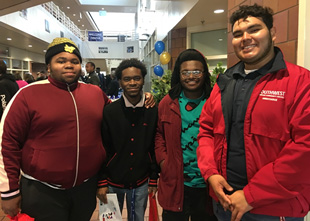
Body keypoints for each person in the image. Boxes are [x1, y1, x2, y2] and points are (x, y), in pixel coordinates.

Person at [0, 38, 155, 220]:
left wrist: (142, 96)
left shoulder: (95, 93)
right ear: (48, 66)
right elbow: (6, 142)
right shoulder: (27, 95)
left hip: (85, 188)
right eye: (61, 60)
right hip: (42, 190)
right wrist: (9, 191)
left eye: (74, 61)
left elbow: (118, 109)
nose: (69, 65)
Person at [197, 4, 310, 221]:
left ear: (273, 33)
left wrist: (251, 196)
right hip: (225, 203)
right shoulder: (224, 82)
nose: (245, 38)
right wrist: (211, 174)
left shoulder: (303, 83)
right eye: (237, 34)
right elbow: (206, 130)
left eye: (254, 29)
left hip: (274, 209)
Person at [155, 49, 215, 221]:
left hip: (207, 184)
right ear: (179, 75)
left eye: (196, 71)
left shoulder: (214, 101)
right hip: (176, 182)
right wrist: (164, 162)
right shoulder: (168, 102)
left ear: (204, 73)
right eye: (185, 72)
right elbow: (159, 135)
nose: (191, 76)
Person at [96, 58, 158, 221]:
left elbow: (153, 146)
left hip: (141, 181)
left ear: (143, 80)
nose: (132, 82)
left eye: (137, 78)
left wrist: (153, 178)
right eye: (127, 79)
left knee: (138, 218)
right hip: (111, 181)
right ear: (120, 82)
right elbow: (102, 148)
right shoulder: (109, 111)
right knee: (109, 220)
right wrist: (101, 181)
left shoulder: (151, 110)